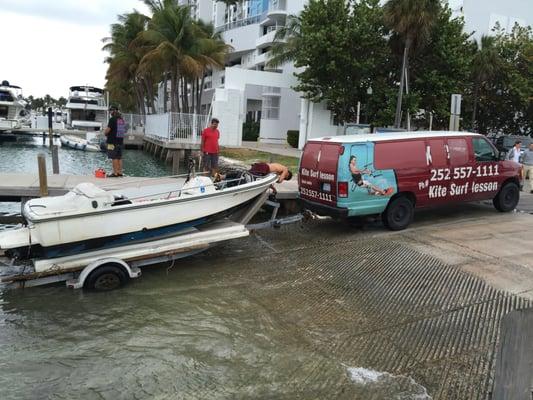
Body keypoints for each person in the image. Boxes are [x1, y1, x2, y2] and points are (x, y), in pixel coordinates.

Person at [104, 106, 126, 177]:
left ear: (113, 111)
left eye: (110, 111)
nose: (110, 112)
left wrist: (105, 133)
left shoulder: (112, 119)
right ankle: (120, 172)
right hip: (120, 141)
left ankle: (115, 173)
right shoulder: (121, 120)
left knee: (114, 157)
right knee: (119, 157)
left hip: (112, 142)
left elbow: (107, 130)